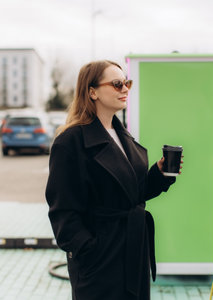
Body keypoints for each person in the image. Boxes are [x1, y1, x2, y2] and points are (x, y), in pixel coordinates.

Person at [45, 60, 181, 300]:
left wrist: (158, 176)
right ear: (92, 91)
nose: (125, 89)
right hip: (100, 263)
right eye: (117, 84)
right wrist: (91, 251)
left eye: (126, 83)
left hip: (133, 252)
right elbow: (63, 213)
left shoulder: (121, 135)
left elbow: (130, 194)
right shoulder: (70, 142)